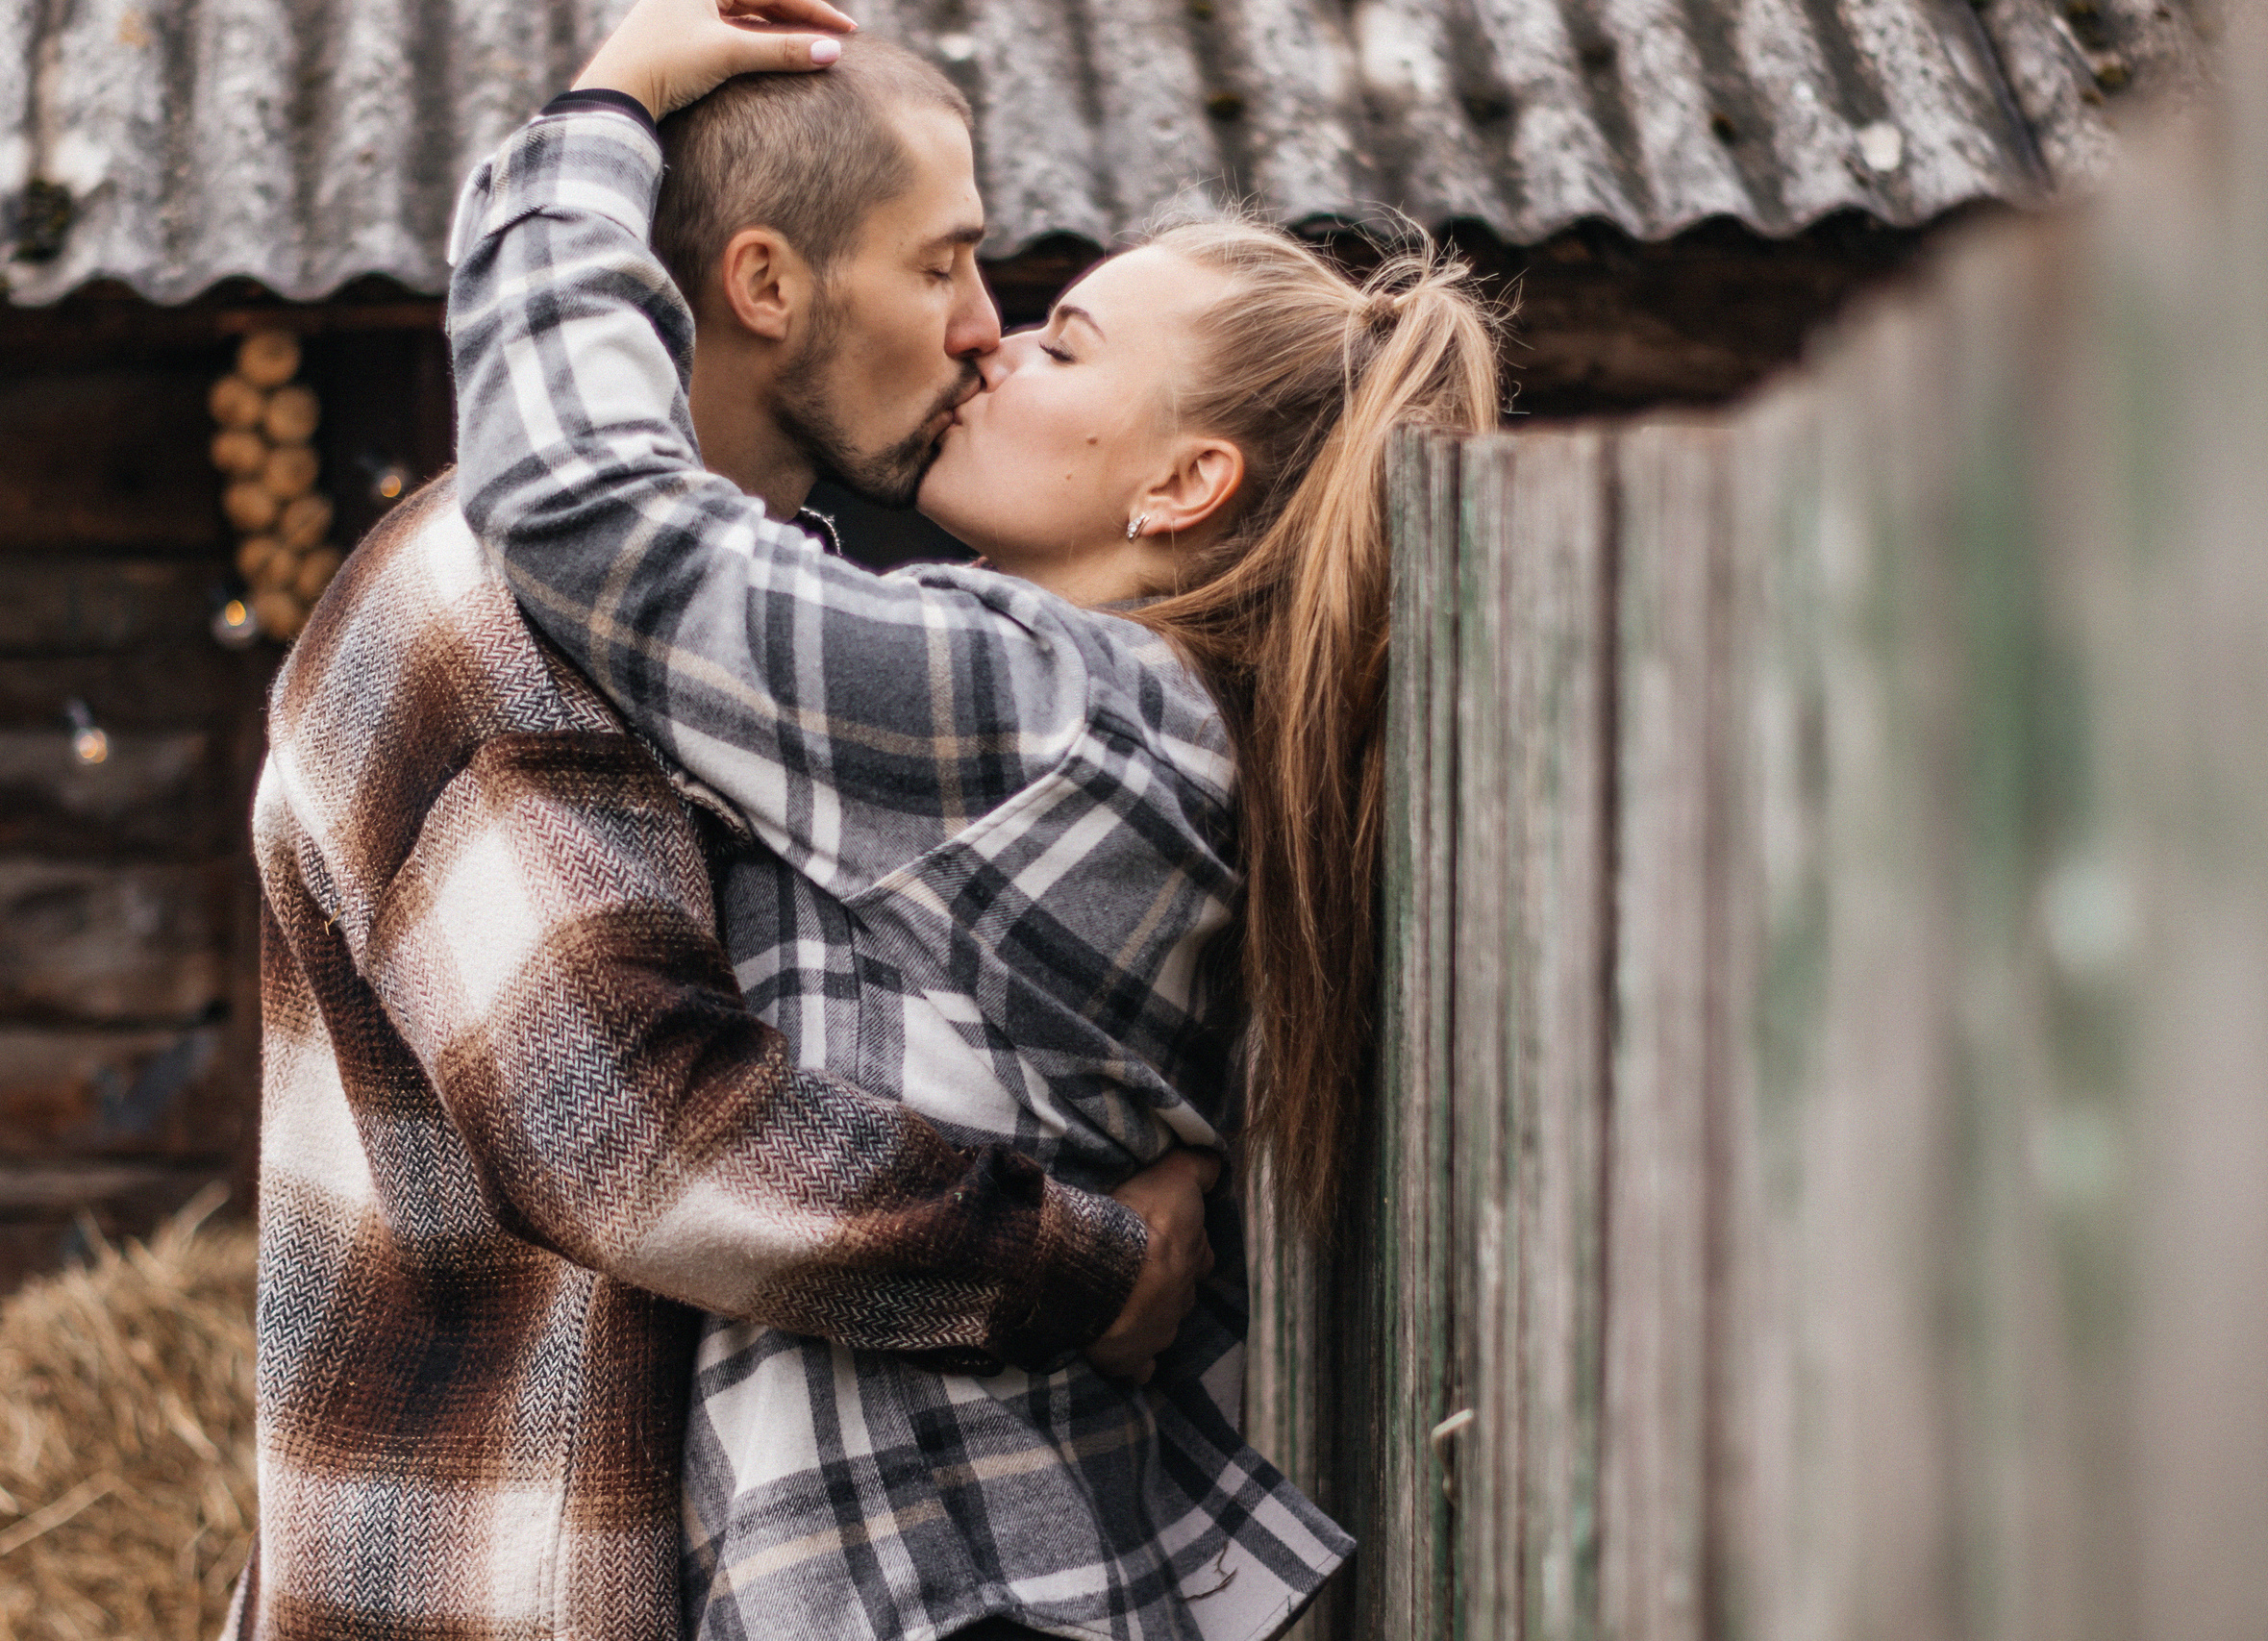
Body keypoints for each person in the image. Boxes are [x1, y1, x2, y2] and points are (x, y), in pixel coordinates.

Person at [451, 0, 1501, 1636]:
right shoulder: (1135, 724)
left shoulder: (1051, 708)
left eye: (1066, 346)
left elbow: (594, 515)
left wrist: (599, 115)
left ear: (1181, 488)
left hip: (943, 1593)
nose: (990, 341)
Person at [230, 12, 1227, 1641]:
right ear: (768, 287)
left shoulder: (760, 635)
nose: (987, 332)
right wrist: (1093, 1271)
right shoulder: (485, 608)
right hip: (493, 1580)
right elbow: (632, 1133)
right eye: (944, 267)